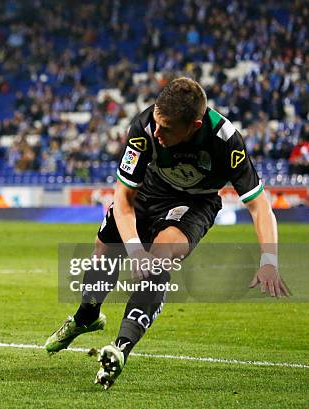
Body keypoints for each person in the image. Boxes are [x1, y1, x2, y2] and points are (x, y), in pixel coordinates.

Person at [45, 78, 289, 390]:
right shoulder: (145, 127)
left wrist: (269, 259)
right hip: (147, 193)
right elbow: (122, 199)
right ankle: (86, 317)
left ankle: (119, 349)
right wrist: (134, 249)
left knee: (160, 258)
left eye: (168, 128)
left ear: (194, 125)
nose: (158, 133)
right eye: (157, 124)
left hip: (195, 203)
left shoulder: (225, 141)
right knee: (105, 253)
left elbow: (259, 206)